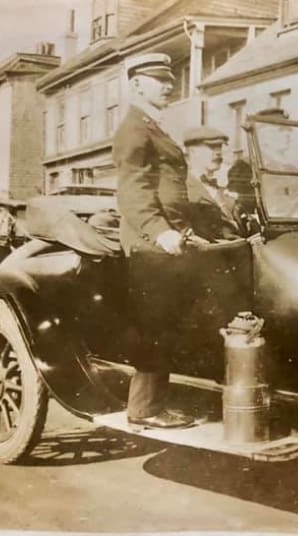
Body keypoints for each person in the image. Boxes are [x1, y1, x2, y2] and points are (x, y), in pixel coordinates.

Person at [113, 52, 206, 430]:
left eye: (170, 79)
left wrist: (183, 230)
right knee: (155, 325)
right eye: (160, 79)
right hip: (150, 244)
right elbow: (133, 190)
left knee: (170, 323)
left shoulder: (154, 128)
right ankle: (145, 409)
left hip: (170, 239)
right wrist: (160, 230)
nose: (170, 85)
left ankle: (158, 402)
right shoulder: (134, 129)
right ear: (137, 84)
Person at [182, 126, 243, 242]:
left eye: (219, 147)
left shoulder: (223, 192)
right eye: (212, 147)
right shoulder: (182, 189)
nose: (218, 152)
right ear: (192, 151)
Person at [252, 108, 298, 216]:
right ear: (263, 135)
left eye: (288, 130)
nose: (288, 134)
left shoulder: (293, 169)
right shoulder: (246, 167)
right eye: (281, 130)